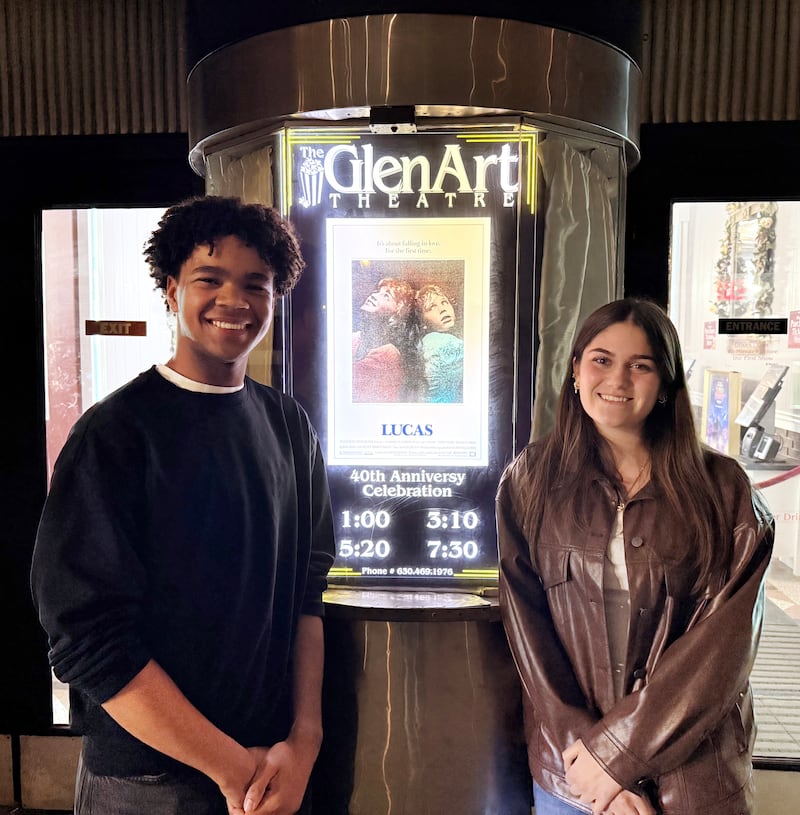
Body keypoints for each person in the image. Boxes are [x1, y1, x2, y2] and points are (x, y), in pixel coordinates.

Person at [30, 195, 336, 815]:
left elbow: (307, 590)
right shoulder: (116, 434)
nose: (235, 301)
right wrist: (229, 767)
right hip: (149, 781)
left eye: (257, 284)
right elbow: (88, 638)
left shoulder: (288, 426)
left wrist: (305, 739)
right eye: (209, 279)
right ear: (171, 290)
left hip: (271, 765)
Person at [496, 298, 774, 815]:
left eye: (640, 365)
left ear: (666, 384)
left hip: (693, 782)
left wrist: (618, 757)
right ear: (576, 370)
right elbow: (529, 636)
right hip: (572, 778)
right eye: (601, 359)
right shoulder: (531, 481)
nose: (617, 379)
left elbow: (722, 652)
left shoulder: (724, 490)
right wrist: (592, 763)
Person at [351, 276, 420, 402]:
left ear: (398, 312)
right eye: (377, 292)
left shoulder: (389, 355)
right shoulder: (355, 338)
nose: (373, 295)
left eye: (386, 296)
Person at [415, 283, 464, 403]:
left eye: (444, 302)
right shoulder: (445, 342)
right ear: (423, 322)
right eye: (431, 307)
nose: (442, 309)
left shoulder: (425, 342)